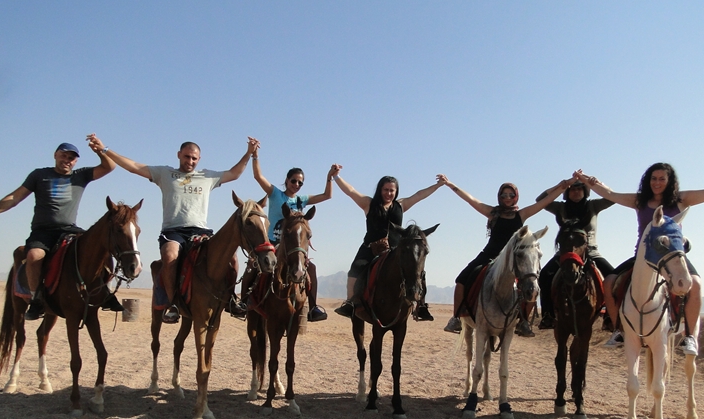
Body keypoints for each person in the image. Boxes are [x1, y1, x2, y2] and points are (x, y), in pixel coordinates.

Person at [581, 143, 704, 354]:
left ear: (669, 180)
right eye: (654, 179)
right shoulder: (640, 201)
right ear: (648, 181)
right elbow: (611, 194)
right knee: (609, 282)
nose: (657, 183)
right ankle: (620, 329)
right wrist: (589, 182)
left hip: (672, 257)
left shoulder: (682, 199)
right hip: (643, 257)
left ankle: (689, 336)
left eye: (662, 179)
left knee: (696, 284)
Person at [87, 134, 256, 323]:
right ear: (179, 155)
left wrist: (249, 153)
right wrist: (105, 150)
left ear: (199, 159)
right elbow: (133, 166)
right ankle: (173, 303)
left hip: (201, 232)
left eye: (194, 158)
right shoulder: (165, 174)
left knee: (231, 256)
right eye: (186, 156)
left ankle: (231, 299)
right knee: (169, 256)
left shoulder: (208, 177)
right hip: (173, 231)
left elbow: (235, 173)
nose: (190, 161)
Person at [0, 139, 119, 320]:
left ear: (76, 161)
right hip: (43, 231)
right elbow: (16, 196)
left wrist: (100, 150)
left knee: (101, 249)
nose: (67, 160)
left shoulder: (80, 175)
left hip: (70, 230)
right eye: (64, 155)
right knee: (34, 256)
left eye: (72, 158)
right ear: (55, 155)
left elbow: (110, 166)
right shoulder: (39, 175)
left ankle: (106, 292)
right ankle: (36, 299)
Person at [440, 175, 575, 335]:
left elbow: (543, 203)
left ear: (516, 196)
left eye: (511, 195)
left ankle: (523, 321)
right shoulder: (492, 213)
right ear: (499, 196)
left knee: (531, 285)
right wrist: (450, 184)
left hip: (513, 258)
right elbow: (470, 199)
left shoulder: (521, 215)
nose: (507, 198)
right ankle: (457, 318)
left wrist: (563, 186)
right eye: (504, 195)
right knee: (462, 279)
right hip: (490, 254)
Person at [333, 170, 446, 319]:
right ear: (380, 190)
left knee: (416, 269)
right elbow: (351, 191)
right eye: (385, 190)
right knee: (355, 269)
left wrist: (438, 185)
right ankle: (350, 304)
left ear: (396, 191)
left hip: (394, 250)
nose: (388, 193)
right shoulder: (369, 204)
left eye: (392, 190)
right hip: (370, 248)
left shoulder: (401, 205)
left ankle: (421, 306)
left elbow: (419, 195)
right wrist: (336, 177)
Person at [243, 138, 333, 321]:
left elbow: (327, 195)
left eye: (300, 183)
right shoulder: (275, 194)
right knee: (253, 266)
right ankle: (244, 301)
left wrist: (330, 176)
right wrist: (255, 155)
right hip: (272, 242)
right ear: (287, 180)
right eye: (294, 181)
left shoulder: (302, 200)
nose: (297, 185)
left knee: (312, 269)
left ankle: (313, 307)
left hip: (293, 245)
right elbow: (258, 177)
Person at [535, 176, 615, 330]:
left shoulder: (594, 205)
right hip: (564, 253)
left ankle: (609, 317)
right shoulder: (560, 207)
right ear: (568, 192)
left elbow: (612, 198)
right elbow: (540, 200)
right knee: (544, 276)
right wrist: (561, 185)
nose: (576, 191)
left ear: (585, 190)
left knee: (613, 277)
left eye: (580, 188)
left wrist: (596, 183)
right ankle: (548, 315)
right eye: (573, 189)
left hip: (590, 252)